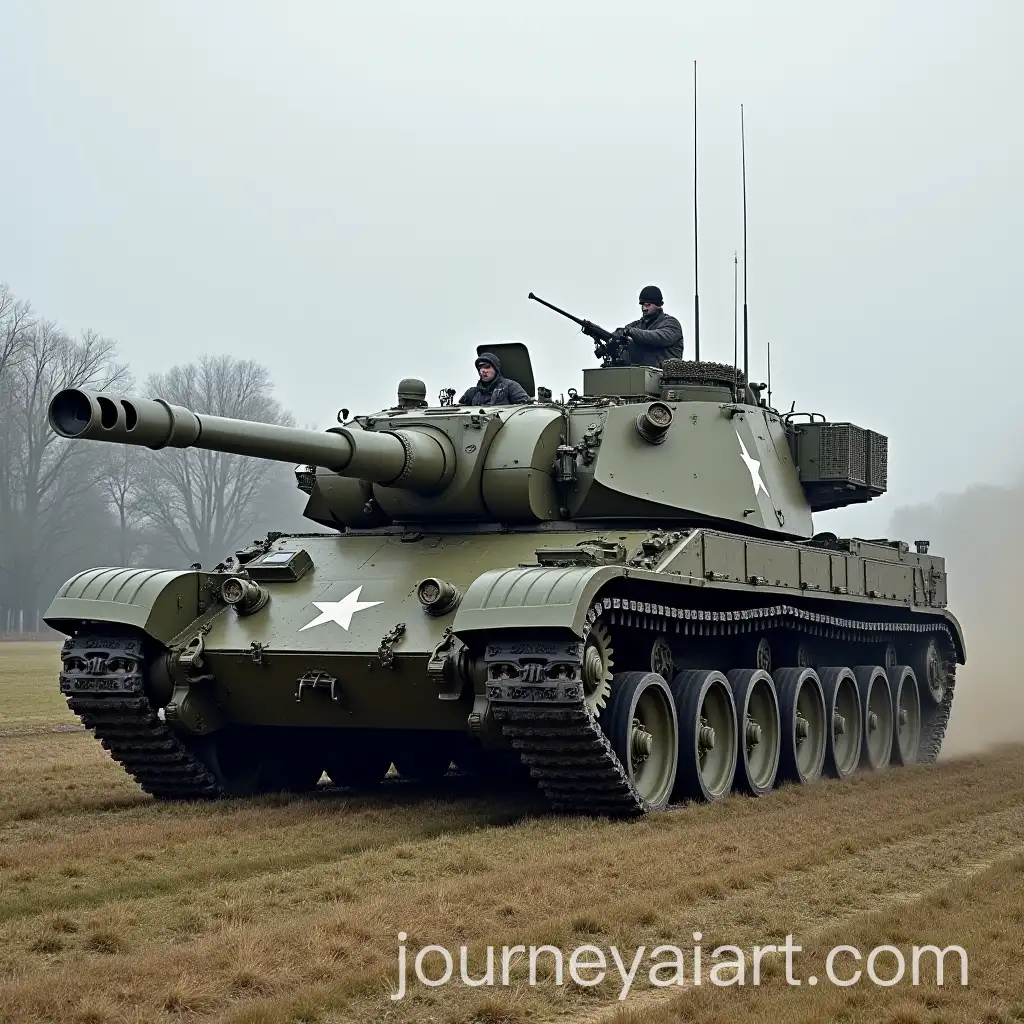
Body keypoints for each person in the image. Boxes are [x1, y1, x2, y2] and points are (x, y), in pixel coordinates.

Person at [612, 285, 684, 368]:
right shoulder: (636, 325)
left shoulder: (671, 323)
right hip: (635, 374)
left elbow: (656, 337)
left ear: (658, 305)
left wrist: (629, 332)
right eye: (642, 305)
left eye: (647, 305)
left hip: (664, 377)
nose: (644, 309)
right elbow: (622, 335)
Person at [458, 352, 530, 406]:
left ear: (495, 369)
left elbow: (526, 407)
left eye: (487, 367)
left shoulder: (510, 387)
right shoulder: (472, 393)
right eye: (481, 367)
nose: (483, 371)